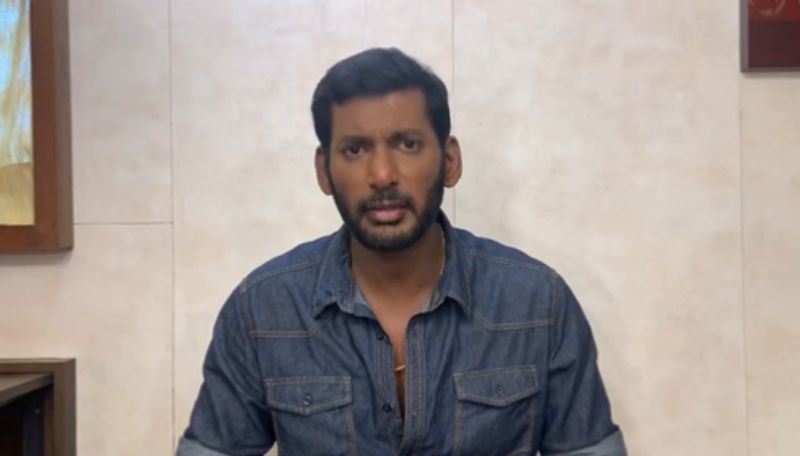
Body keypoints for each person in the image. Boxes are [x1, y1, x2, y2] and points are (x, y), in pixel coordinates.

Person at [177, 47, 626, 456]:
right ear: (325, 171)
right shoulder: (262, 308)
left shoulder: (537, 302)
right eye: (355, 149)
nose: (382, 174)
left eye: (407, 144)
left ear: (449, 161)